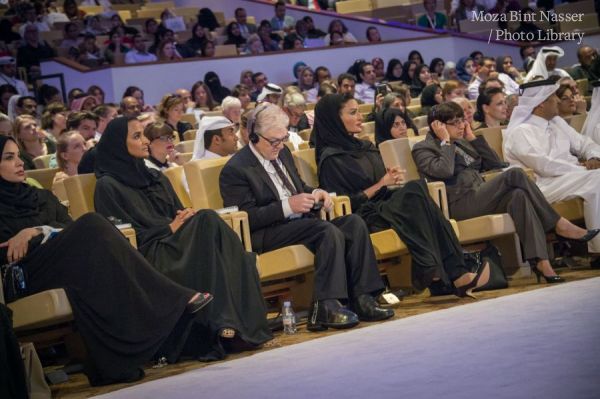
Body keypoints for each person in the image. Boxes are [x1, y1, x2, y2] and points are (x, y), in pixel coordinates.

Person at [0, 134, 214, 386]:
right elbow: (11, 251)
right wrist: (43, 234)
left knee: (99, 257)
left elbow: (67, 228)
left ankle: (117, 361)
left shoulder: (39, 197)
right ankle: (172, 298)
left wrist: (35, 231)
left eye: (18, 156)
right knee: (92, 224)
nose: (19, 163)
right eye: (8, 158)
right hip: (24, 275)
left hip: (63, 263)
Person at [94, 116, 272, 353]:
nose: (145, 141)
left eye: (144, 134)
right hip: (151, 252)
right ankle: (229, 324)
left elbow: (176, 212)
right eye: (137, 136)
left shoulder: (154, 176)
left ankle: (232, 325)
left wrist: (184, 217)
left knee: (208, 221)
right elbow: (120, 237)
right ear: (118, 144)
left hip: (178, 242)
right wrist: (168, 228)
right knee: (208, 221)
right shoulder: (108, 186)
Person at [220, 103, 394, 330]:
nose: (279, 146)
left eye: (283, 139)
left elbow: (298, 186)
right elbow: (247, 217)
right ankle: (325, 306)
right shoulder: (236, 169)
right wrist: (287, 206)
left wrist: (315, 192)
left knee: (353, 223)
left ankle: (363, 298)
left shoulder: (283, 153)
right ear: (253, 136)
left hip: (298, 224)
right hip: (266, 233)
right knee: (325, 230)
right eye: (273, 141)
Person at [313, 94, 489, 297]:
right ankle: (448, 273)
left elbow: (384, 185)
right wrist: (381, 184)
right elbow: (343, 204)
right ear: (334, 119)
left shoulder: (366, 147)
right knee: (415, 193)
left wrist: (391, 180)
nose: (360, 117)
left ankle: (439, 272)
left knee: (417, 188)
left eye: (358, 111)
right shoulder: (331, 159)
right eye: (352, 113)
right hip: (364, 217)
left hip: (385, 205)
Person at [413, 101, 598, 281]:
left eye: (462, 120)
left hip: (480, 195)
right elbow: (444, 171)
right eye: (455, 123)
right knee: (515, 174)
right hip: (459, 204)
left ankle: (542, 263)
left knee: (519, 196)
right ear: (437, 125)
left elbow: (495, 164)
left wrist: (472, 138)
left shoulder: (461, 142)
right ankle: (559, 224)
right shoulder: (423, 148)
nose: (462, 126)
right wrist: (445, 141)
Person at [504, 79, 600, 265]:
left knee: (595, 178)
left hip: (567, 178)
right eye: (553, 97)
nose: (558, 101)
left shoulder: (555, 122)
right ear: (540, 103)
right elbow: (544, 166)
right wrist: (580, 169)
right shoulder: (520, 131)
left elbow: (584, 143)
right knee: (596, 179)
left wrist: (593, 157)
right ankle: (598, 253)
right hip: (540, 187)